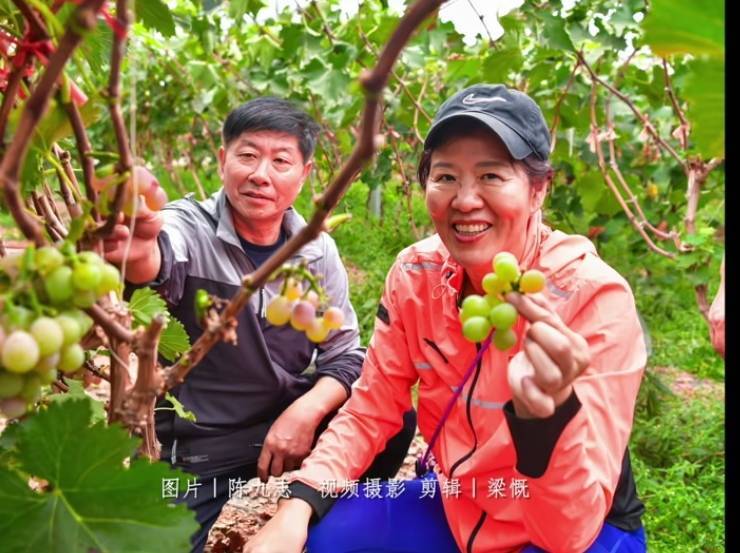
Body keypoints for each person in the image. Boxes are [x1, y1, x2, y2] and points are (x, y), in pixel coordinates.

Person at [245, 84, 648, 553]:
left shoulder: (593, 297)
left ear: (539, 189)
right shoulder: (416, 274)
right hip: (460, 502)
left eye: (492, 176)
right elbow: (373, 404)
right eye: (446, 176)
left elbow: (567, 534)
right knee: (329, 539)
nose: (465, 200)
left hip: (578, 524)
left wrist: (545, 421)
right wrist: (298, 504)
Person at [102, 97, 416, 553]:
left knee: (393, 421)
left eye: (281, 160)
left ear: (305, 175)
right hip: (197, 448)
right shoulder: (187, 226)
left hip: (278, 426)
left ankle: (318, 524)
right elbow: (158, 259)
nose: (260, 174)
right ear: (223, 159)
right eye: (248, 155)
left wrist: (305, 413)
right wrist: (138, 253)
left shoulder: (314, 250)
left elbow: (347, 355)